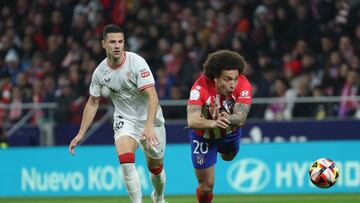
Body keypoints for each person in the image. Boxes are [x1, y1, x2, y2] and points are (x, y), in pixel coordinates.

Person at [68, 24, 167, 203]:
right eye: (112, 42)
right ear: (103, 44)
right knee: (125, 160)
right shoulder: (100, 72)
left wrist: (149, 126)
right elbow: (92, 102)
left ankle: (158, 197)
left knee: (155, 166)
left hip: (151, 119)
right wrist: (80, 133)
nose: (117, 45)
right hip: (125, 119)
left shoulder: (136, 62)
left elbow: (152, 96)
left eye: (120, 42)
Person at [187, 50, 252, 203]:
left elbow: (241, 118)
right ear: (215, 77)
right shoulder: (199, 88)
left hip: (230, 133)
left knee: (228, 157)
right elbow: (192, 120)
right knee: (205, 188)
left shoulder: (243, 85)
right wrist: (212, 123)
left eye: (235, 79)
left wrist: (226, 118)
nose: (233, 84)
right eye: (227, 79)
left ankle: (224, 150)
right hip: (203, 136)